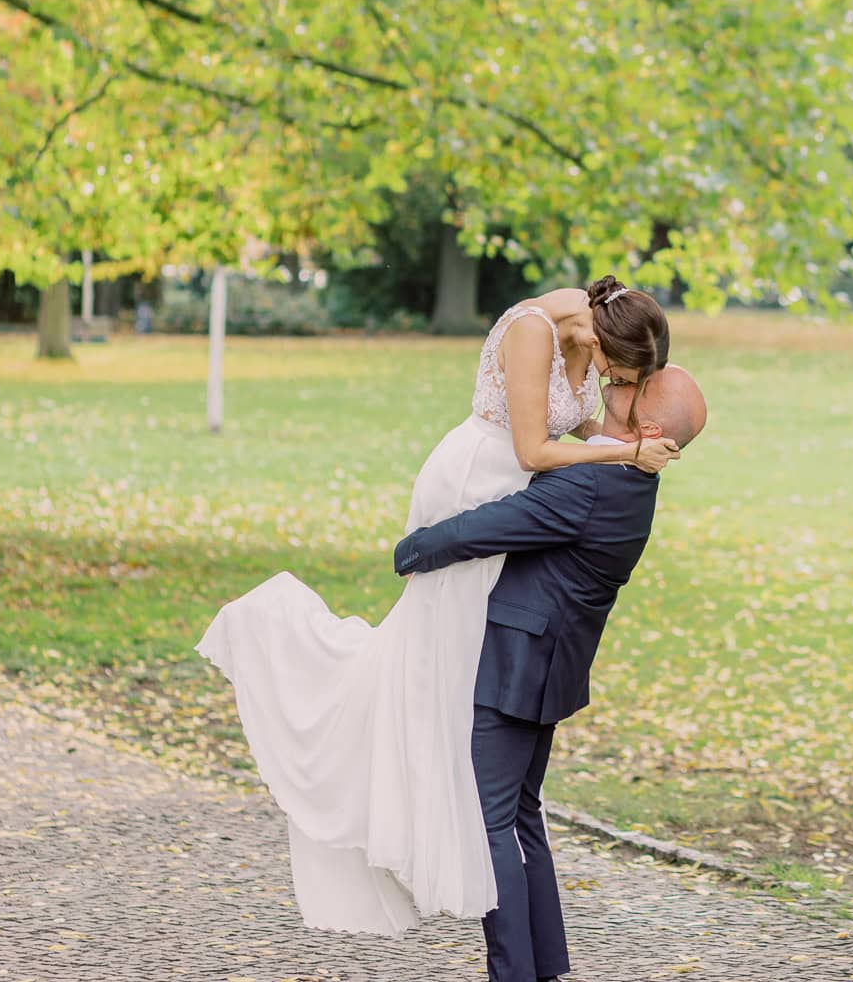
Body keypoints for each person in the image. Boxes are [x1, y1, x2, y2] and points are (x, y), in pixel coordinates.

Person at [196, 275, 674, 936]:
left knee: (460, 687)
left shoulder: (589, 335)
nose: (618, 387)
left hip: (525, 489)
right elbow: (534, 447)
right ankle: (428, 793)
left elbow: (574, 423)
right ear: (595, 334)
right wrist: (628, 453)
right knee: (435, 669)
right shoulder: (535, 329)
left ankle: (483, 833)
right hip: (477, 482)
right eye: (618, 374)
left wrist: (615, 441)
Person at [395, 363, 708, 982]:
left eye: (633, 383)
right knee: (523, 817)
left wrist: (413, 547)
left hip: (516, 663)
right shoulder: (628, 476)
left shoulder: (596, 480)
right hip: (547, 664)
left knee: (488, 820)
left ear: (649, 424)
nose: (620, 382)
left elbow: (494, 524)